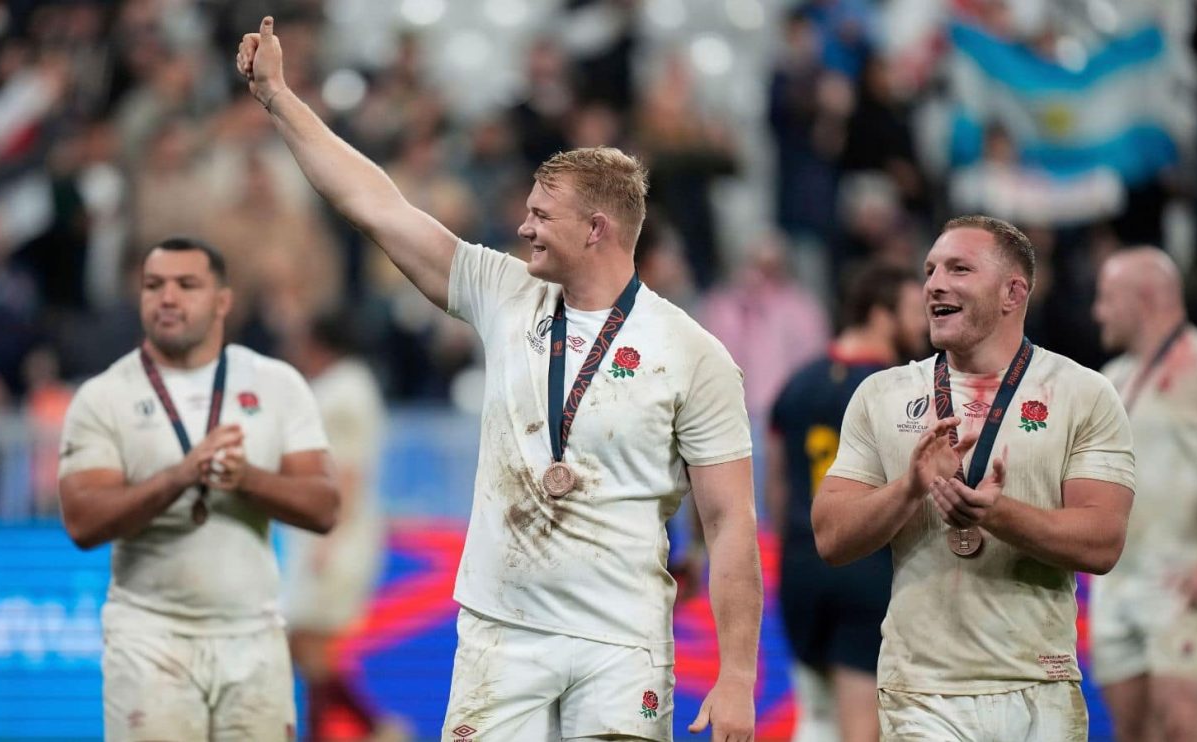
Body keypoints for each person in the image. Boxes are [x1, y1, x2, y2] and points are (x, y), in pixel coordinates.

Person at [237, 17, 762, 742]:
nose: (523, 228)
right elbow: (374, 204)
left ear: (598, 229)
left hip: (622, 643)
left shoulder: (694, 353)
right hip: (500, 631)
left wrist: (737, 677)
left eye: (542, 215)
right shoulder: (503, 291)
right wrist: (279, 100)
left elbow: (732, 522)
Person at [812, 215, 1136, 741]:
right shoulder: (883, 394)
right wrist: (909, 488)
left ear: (1013, 293)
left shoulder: (1084, 394)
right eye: (930, 270)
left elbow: (1103, 542)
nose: (934, 283)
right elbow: (830, 535)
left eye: (959, 269)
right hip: (922, 690)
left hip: (1040, 685)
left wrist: (997, 514)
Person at [56, 237, 340, 741]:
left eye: (187, 285)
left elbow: (323, 507)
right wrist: (179, 476)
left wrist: (246, 478)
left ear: (223, 301)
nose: (167, 298)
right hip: (148, 635)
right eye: (153, 285)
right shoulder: (103, 396)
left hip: (253, 635)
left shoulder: (277, 383)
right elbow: (82, 521)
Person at [766, 263, 926, 742]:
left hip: (799, 565)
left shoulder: (798, 382)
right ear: (881, 315)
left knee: (816, 717)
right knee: (862, 729)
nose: (925, 324)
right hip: (867, 565)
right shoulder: (899, 389)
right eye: (915, 311)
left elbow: (777, 484)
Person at [1090, 247, 1197, 742]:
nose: (1097, 312)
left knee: (1180, 726)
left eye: (1108, 298)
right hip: (1117, 585)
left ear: (1146, 297)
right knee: (1131, 731)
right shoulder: (1110, 379)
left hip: (1182, 575)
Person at [281, 313, 406, 742]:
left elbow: (349, 469)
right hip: (326, 531)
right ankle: (370, 727)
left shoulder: (344, 390)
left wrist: (329, 536)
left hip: (337, 534)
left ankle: (376, 727)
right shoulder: (349, 385)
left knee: (305, 642)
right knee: (306, 646)